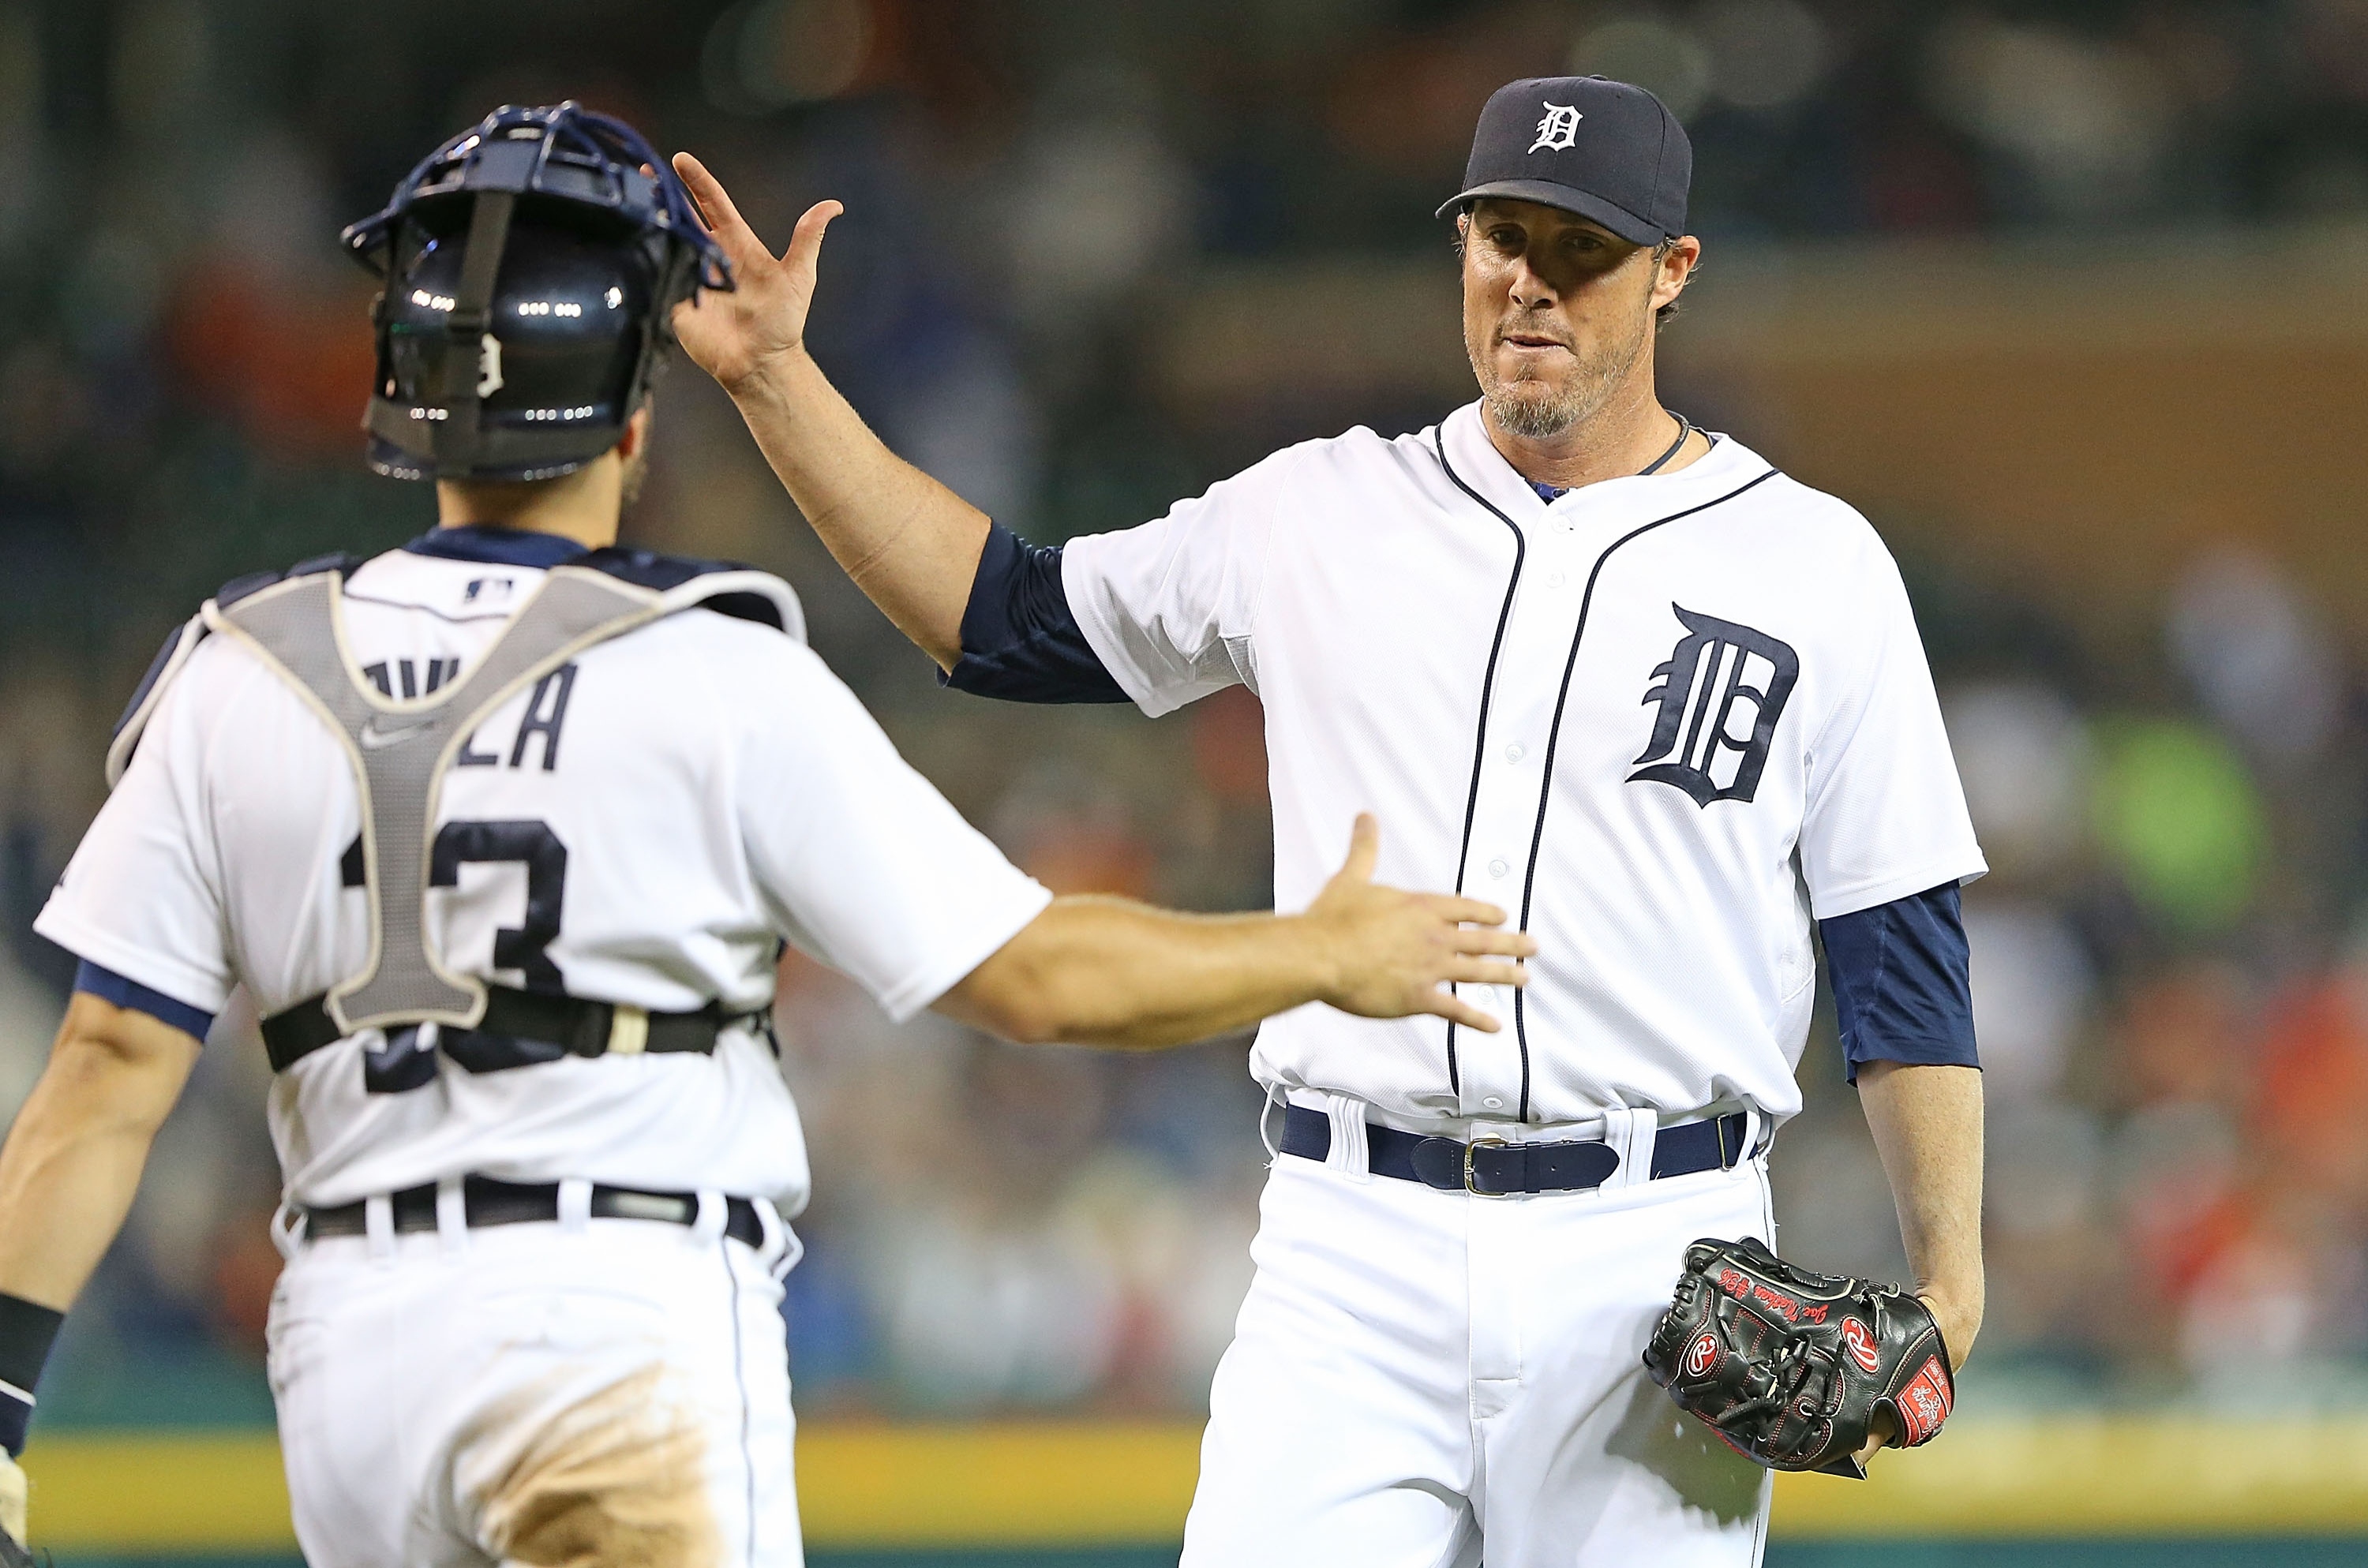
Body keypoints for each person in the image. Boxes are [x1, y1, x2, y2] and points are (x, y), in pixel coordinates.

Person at [0, 103, 1534, 1567]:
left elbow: (103, 1080)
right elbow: (1035, 977)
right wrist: (1319, 951)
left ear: (397, 376)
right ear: (631, 396)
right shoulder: (705, 663)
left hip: (351, 1346)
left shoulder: (240, 666)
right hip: (617, 1329)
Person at [668, 73, 1987, 1566]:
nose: (1528, 284)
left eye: (1581, 249)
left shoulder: (1813, 561)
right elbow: (998, 620)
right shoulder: (1317, 510)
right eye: (1501, 237)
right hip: (1350, 1244)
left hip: (1657, 1251)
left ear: (1672, 273)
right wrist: (776, 378)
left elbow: (1897, 947)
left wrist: (1952, 1284)